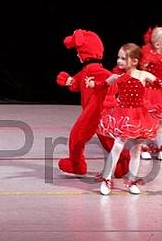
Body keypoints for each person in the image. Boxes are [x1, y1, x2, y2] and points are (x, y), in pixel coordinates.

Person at [86, 43, 162, 195]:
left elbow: (158, 82)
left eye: (123, 58)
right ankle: (107, 179)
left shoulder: (143, 75)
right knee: (117, 146)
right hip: (123, 115)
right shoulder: (117, 77)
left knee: (136, 150)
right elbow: (102, 85)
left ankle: (132, 181)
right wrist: (92, 84)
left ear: (134, 61)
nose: (119, 61)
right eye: (118, 58)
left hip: (139, 116)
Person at [56, 29, 130, 177]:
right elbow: (76, 84)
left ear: (86, 52)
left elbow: (112, 83)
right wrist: (68, 80)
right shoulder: (86, 71)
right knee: (107, 140)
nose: (77, 55)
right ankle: (122, 162)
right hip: (99, 112)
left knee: (76, 136)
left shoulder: (97, 71)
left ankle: (77, 165)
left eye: (79, 51)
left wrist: (103, 89)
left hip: (94, 111)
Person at [139, 26, 162, 160]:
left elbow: (161, 78)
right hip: (144, 93)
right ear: (158, 44)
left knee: (157, 123)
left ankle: (161, 147)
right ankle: (142, 147)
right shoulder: (145, 59)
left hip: (157, 94)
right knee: (143, 122)